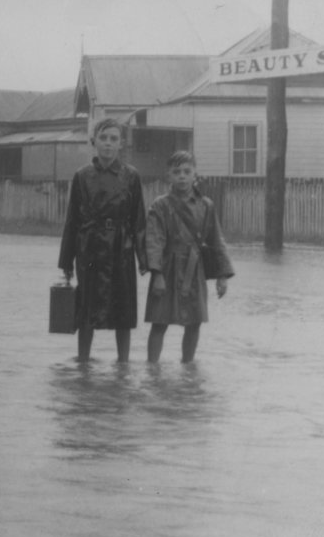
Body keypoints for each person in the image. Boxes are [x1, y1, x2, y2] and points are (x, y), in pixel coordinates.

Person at [58, 118, 147, 362]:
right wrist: (66, 261)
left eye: (113, 139)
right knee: (87, 308)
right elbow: (72, 220)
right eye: (103, 138)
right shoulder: (82, 176)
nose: (108, 143)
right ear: (94, 142)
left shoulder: (131, 176)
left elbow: (139, 220)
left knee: (124, 309)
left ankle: (123, 366)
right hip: (90, 247)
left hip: (121, 248)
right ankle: (83, 365)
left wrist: (144, 260)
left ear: (121, 144)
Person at [145, 151, 234, 363]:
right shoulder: (160, 205)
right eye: (177, 172)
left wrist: (222, 276)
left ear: (195, 174)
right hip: (167, 268)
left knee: (194, 322)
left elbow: (216, 239)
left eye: (187, 171)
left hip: (194, 268)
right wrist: (157, 274)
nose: (182, 176)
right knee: (159, 321)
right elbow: (154, 240)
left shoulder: (206, 205)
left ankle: (188, 369)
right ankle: (152, 370)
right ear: (169, 175)